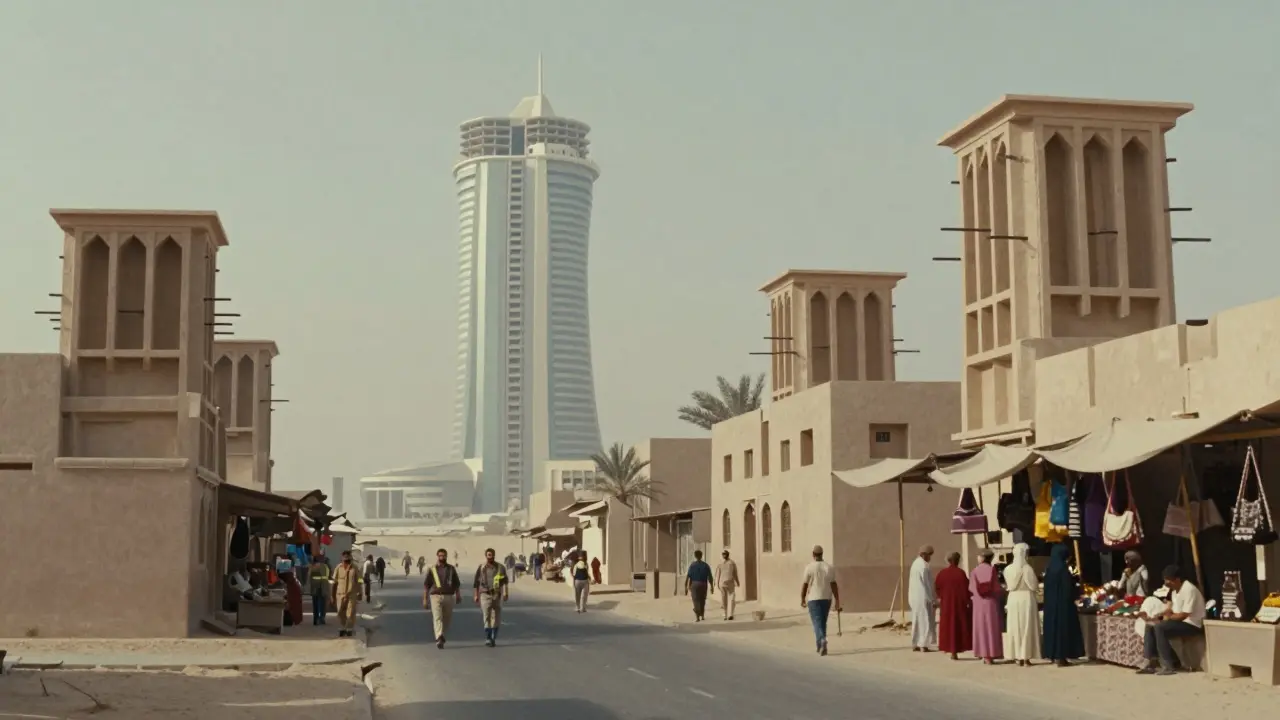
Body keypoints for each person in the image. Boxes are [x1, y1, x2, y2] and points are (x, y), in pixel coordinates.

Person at [1137, 565, 1205, 676]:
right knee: (1150, 625)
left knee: (1160, 627)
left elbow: (1184, 615)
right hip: (1180, 621)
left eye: (1168, 580)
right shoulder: (1174, 591)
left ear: (1177, 579)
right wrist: (1155, 617)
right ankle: (1150, 662)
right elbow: (1172, 610)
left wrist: (1166, 618)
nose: (1166, 583)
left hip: (1192, 624)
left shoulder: (1189, 589)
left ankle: (1168, 665)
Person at [1041, 544, 1085, 667]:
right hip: (1062, 605)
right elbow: (1067, 589)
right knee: (1062, 630)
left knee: (1052, 629)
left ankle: (1052, 654)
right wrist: (1077, 589)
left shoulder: (1049, 568)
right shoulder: (1063, 569)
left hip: (1050, 605)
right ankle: (1061, 657)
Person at [1003, 543, 1042, 666]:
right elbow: (1034, 586)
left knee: (1015, 627)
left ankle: (1017, 656)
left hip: (1013, 599)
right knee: (1026, 627)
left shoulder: (1008, 569)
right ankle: (1026, 658)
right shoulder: (1028, 569)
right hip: (1026, 599)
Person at [800, 545, 842, 656]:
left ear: (813, 554)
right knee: (822, 622)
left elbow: (805, 584)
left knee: (817, 622)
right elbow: (834, 585)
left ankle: (822, 639)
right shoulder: (829, 567)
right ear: (822, 554)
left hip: (813, 599)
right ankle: (820, 645)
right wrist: (837, 600)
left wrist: (802, 598)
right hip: (826, 598)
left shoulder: (809, 567)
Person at [969, 548, 1003, 664]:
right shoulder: (993, 570)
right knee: (991, 627)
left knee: (981, 628)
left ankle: (983, 654)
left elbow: (971, 588)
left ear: (982, 558)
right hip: (991, 603)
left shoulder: (974, 571)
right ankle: (992, 654)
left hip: (979, 603)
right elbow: (997, 588)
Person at [935, 551, 972, 660]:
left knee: (949, 627)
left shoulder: (942, 573)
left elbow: (937, 587)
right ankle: (955, 650)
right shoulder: (961, 573)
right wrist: (967, 602)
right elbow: (967, 589)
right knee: (957, 627)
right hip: (959, 605)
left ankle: (950, 649)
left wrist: (942, 597)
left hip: (946, 604)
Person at [424, 548, 462, 648]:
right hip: (435, 596)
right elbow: (427, 585)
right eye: (440, 556)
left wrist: (458, 595)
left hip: (449, 596)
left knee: (447, 618)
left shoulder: (451, 569)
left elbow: (456, 583)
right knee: (437, 617)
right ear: (437, 556)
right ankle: (439, 637)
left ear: (446, 556)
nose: (442, 557)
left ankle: (442, 634)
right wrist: (425, 599)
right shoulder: (432, 569)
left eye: (443, 556)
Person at [474, 548, 510, 647]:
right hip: (485, 594)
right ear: (486, 556)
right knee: (486, 616)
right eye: (488, 555)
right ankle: (488, 637)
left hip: (497, 594)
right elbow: (476, 582)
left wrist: (506, 593)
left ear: (494, 555)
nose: (490, 556)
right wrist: (476, 595)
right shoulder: (481, 567)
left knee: (496, 617)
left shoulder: (500, 568)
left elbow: (505, 581)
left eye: (492, 555)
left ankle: (494, 636)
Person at [909, 545, 937, 652]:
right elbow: (927, 584)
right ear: (924, 555)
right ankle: (923, 645)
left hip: (914, 597)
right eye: (929, 555)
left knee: (916, 620)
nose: (930, 557)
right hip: (923, 597)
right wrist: (932, 599)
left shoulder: (915, 564)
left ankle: (915, 643)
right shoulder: (924, 566)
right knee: (925, 621)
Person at [331, 550, 360, 638]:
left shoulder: (355, 568)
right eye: (345, 559)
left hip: (352, 594)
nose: (346, 560)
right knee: (340, 612)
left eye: (348, 558)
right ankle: (343, 627)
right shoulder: (338, 568)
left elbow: (359, 581)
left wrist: (360, 592)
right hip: (340, 594)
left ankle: (349, 629)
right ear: (342, 559)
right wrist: (332, 595)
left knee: (350, 612)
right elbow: (334, 582)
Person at [685, 550, 714, 622]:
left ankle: (697, 616)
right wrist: (712, 587)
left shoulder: (692, 565)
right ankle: (702, 615)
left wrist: (685, 586)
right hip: (703, 584)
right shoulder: (706, 565)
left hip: (694, 584)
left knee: (696, 600)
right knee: (702, 600)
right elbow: (710, 576)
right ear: (701, 556)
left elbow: (688, 576)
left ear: (695, 556)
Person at [716, 549, 740, 620]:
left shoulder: (722, 563)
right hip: (727, 583)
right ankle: (729, 614)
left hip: (724, 583)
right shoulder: (731, 563)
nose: (724, 556)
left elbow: (718, 574)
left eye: (724, 554)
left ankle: (727, 614)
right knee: (730, 598)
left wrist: (717, 583)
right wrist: (737, 582)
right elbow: (734, 573)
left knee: (725, 599)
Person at [309, 558, 331, 625]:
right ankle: (322, 618)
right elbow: (329, 576)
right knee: (323, 604)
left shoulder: (312, 567)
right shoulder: (326, 566)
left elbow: (309, 577)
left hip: (315, 588)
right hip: (323, 587)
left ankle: (315, 619)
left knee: (315, 604)